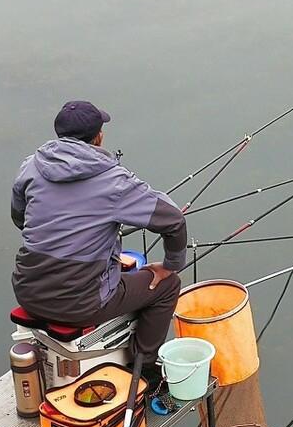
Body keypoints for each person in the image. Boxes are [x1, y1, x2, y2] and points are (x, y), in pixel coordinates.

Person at [11, 100, 186, 389]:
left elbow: (20, 218)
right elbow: (174, 221)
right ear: (99, 137)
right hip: (81, 304)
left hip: (27, 290)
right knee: (167, 285)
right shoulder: (113, 180)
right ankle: (144, 368)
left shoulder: (30, 167)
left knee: (119, 269)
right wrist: (170, 266)